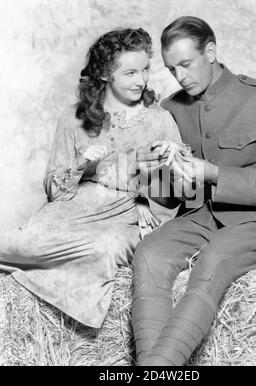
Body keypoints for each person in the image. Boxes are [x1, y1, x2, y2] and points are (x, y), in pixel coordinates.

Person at [132, 16, 256, 366]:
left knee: (213, 262)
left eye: (186, 64)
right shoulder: (171, 109)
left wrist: (213, 173)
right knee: (149, 254)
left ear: (210, 52)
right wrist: (151, 173)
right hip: (196, 217)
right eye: (171, 69)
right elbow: (171, 198)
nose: (180, 76)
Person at [0, 28, 184, 328]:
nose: (141, 80)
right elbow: (54, 190)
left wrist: (162, 169)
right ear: (104, 74)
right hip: (70, 213)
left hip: (124, 217)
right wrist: (82, 167)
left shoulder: (159, 119)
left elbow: (176, 200)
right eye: (130, 73)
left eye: (145, 69)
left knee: (102, 250)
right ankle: (41, 269)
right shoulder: (74, 118)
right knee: (9, 246)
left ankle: (55, 280)